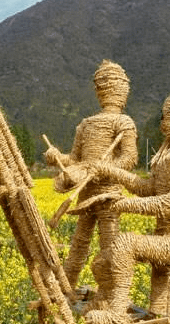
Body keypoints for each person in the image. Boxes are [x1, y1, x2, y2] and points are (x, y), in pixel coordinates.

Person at [77, 90, 170, 324]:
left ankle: (117, 314)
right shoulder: (166, 159)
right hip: (164, 238)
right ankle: (104, 301)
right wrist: (110, 171)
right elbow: (146, 188)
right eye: (163, 114)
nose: (164, 120)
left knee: (125, 244)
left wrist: (126, 204)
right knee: (101, 261)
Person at [44, 60, 138, 289]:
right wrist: (56, 156)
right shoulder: (86, 124)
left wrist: (105, 169)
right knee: (79, 246)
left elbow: (129, 158)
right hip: (85, 193)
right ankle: (67, 289)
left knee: (110, 245)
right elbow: (75, 159)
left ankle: (112, 294)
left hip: (108, 195)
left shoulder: (123, 122)